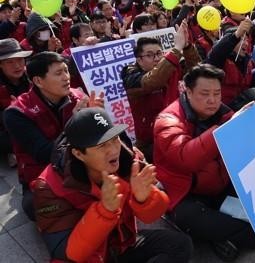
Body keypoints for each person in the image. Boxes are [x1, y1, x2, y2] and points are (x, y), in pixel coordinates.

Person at [32, 107, 193, 262]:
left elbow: (152, 216)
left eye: (114, 139)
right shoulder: (47, 187)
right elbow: (68, 252)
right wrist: (105, 211)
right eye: (102, 145)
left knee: (180, 245)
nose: (114, 150)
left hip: (121, 245)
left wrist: (145, 199)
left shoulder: (129, 159)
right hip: (90, 257)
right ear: (78, 154)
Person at [154, 64, 255, 261]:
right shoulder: (167, 120)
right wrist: (225, 128)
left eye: (217, 93)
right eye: (204, 93)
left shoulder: (222, 112)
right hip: (187, 195)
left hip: (220, 186)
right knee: (191, 217)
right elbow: (186, 159)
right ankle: (231, 236)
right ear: (188, 91)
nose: (212, 100)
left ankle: (225, 236)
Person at [4, 52, 101, 220]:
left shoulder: (78, 96)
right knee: (38, 207)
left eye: (66, 71)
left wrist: (98, 116)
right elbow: (44, 154)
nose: (66, 77)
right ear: (38, 81)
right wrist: (75, 123)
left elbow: (99, 138)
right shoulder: (16, 112)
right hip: (42, 176)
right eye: (58, 73)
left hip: (82, 167)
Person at [122, 21, 200, 160]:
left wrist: (187, 46)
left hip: (177, 129)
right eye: (150, 55)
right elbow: (153, 81)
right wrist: (176, 49)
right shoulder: (130, 76)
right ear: (139, 60)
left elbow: (197, 71)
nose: (157, 58)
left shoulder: (169, 66)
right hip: (150, 141)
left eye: (159, 53)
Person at [0, 39, 32, 168]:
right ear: (0, 65)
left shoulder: (31, 76)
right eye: (10, 62)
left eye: (20, 60)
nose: (17, 66)